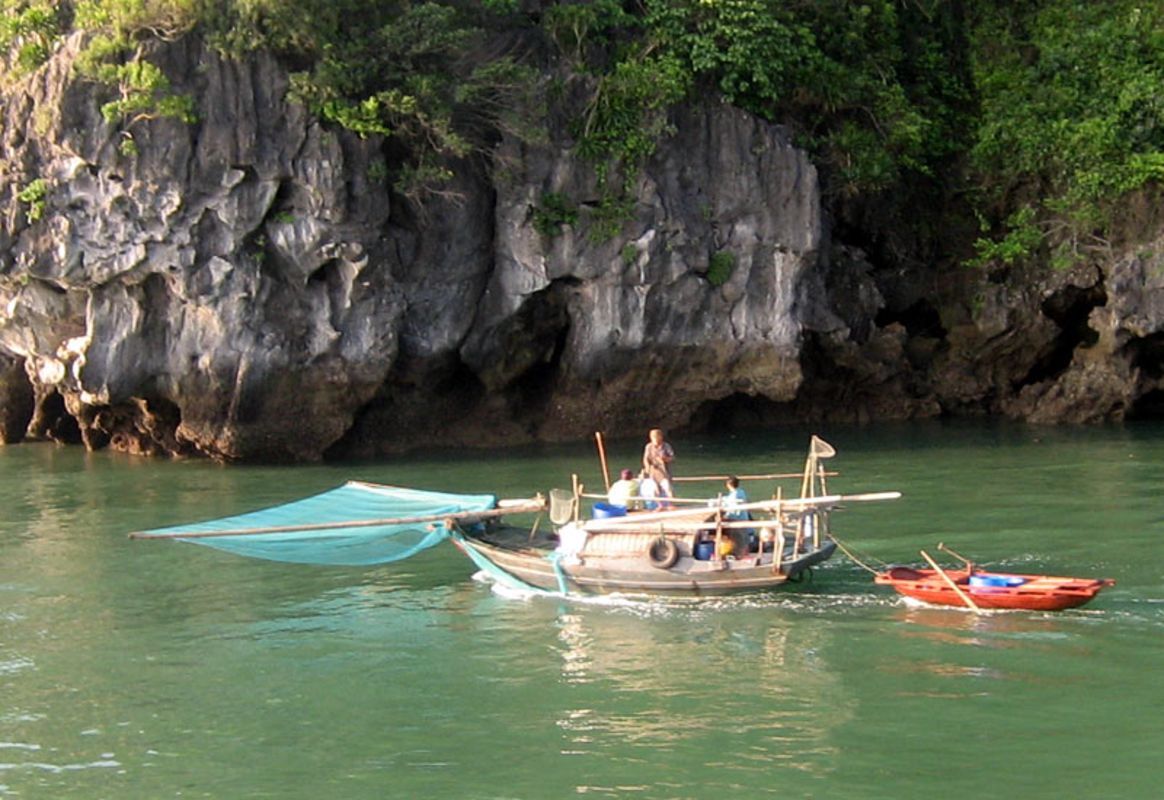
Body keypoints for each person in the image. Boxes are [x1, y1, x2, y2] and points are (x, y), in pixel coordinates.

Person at [642, 428, 675, 507]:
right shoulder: (649, 446)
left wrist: (665, 459)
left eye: (657, 437)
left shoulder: (666, 446)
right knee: (655, 489)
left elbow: (672, 457)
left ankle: (671, 504)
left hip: (664, 471)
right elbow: (645, 458)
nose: (655, 439)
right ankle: (660, 505)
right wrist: (647, 467)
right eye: (653, 437)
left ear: (661, 437)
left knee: (668, 488)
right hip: (653, 471)